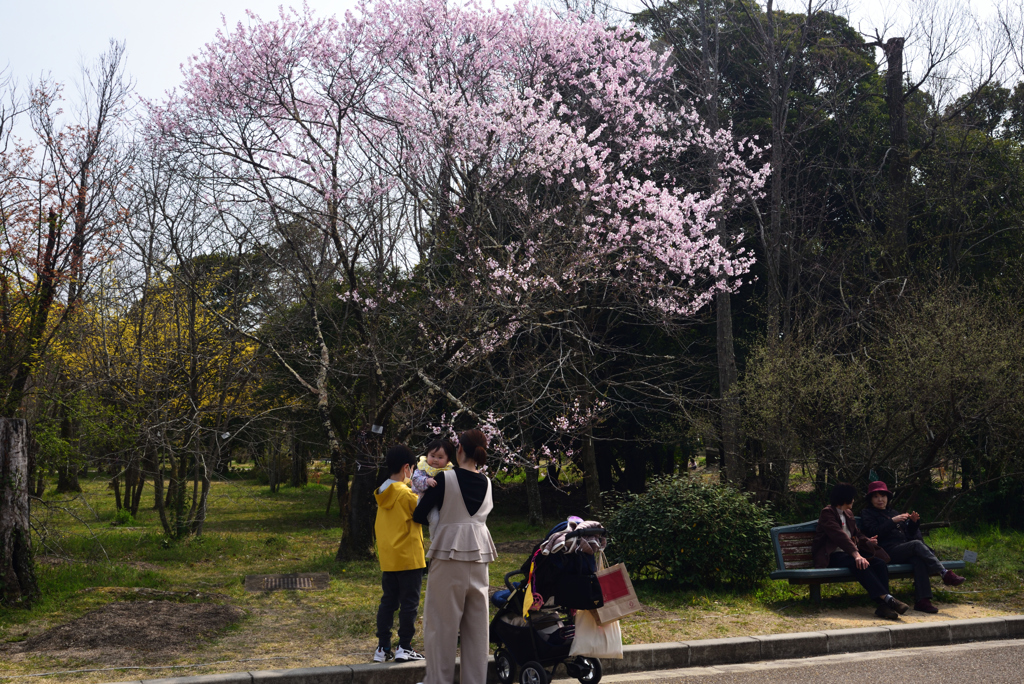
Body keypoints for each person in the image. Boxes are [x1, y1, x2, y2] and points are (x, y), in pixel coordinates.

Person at [414, 428, 497, 684]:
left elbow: (419, 514)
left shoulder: (445, 479)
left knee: (441, 626)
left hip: (448, 556)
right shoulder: (487, 483)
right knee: (477, 630)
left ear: (459, 449)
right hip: (479, 557)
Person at [859, 480, 966, 613]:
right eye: (875, 497)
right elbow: (872, 532)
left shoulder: (893, 512)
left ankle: (923, 601)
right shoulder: (867, 513)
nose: (880, 499)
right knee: (916, 545)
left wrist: (914, 524)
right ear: (870, 499)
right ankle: (944, 573)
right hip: (886, 551)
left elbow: (908, 534)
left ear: (888, 498)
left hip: (903, 548)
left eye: (883, 496)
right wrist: (892, 522)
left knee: (918, 560)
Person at [812, 483, 910, 620]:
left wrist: (868, 541)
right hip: (831, 555)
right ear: (844, 498)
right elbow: (839, 536)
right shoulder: (828, 513)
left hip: (848, 554)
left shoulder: (848, 513)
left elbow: (857, 533)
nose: (853, 500)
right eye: (852, 497)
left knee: (879, 564)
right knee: (860, 564)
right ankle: (889, 599)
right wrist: (857, 555)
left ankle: (884, 606)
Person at [372, 445, 427, 664]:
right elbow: (424, 513)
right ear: (406, 468)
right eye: (412, 469)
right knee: (409, 604)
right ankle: (404, 646)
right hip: (410, 558)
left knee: (388, 603)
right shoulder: (406, 494)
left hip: (389, 559)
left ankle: (383, 647)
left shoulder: (382, 492)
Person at [410, 438, 456, 538]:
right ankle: (434, 539)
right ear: (427, 456)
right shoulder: (423, 468)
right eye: (432, 456)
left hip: (443, 502)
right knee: (435, 519)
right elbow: (416, 480)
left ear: (448, 460)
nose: (435, 460)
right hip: (424, 499)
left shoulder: (448, 471)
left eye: (440, 457)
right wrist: (426, 481)